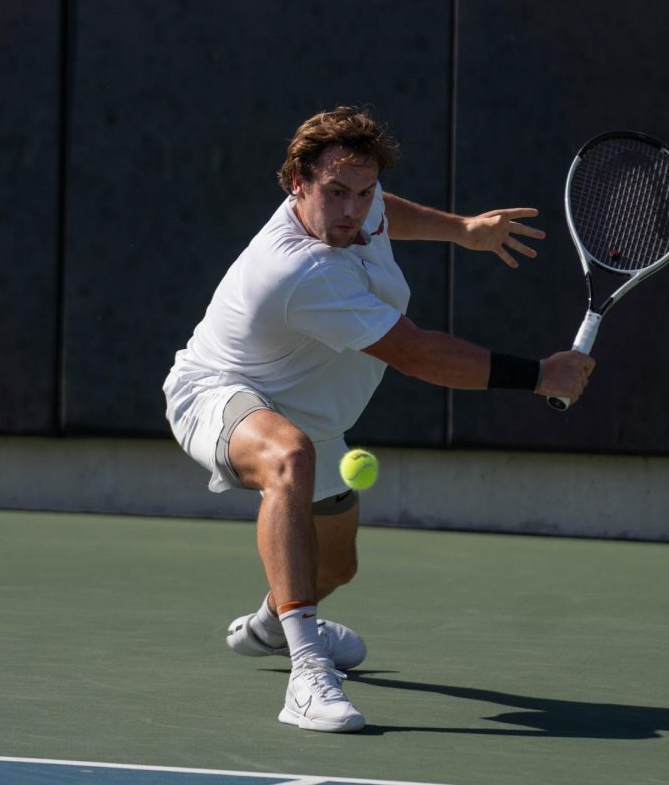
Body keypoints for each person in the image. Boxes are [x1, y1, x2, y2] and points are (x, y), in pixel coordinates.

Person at [162, 106, 595, 733]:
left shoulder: (361, 208)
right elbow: (417, 354)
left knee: (336, 566)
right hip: (217, 394)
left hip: (310, 411)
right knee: (290, 458)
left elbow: (391, 212)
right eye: (336, 192)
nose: (353, 210)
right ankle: (306, 674)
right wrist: (539, 375)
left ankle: (270, 625)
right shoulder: (301, 270)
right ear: (297, 183)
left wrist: (463, 229)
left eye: (363, 193)